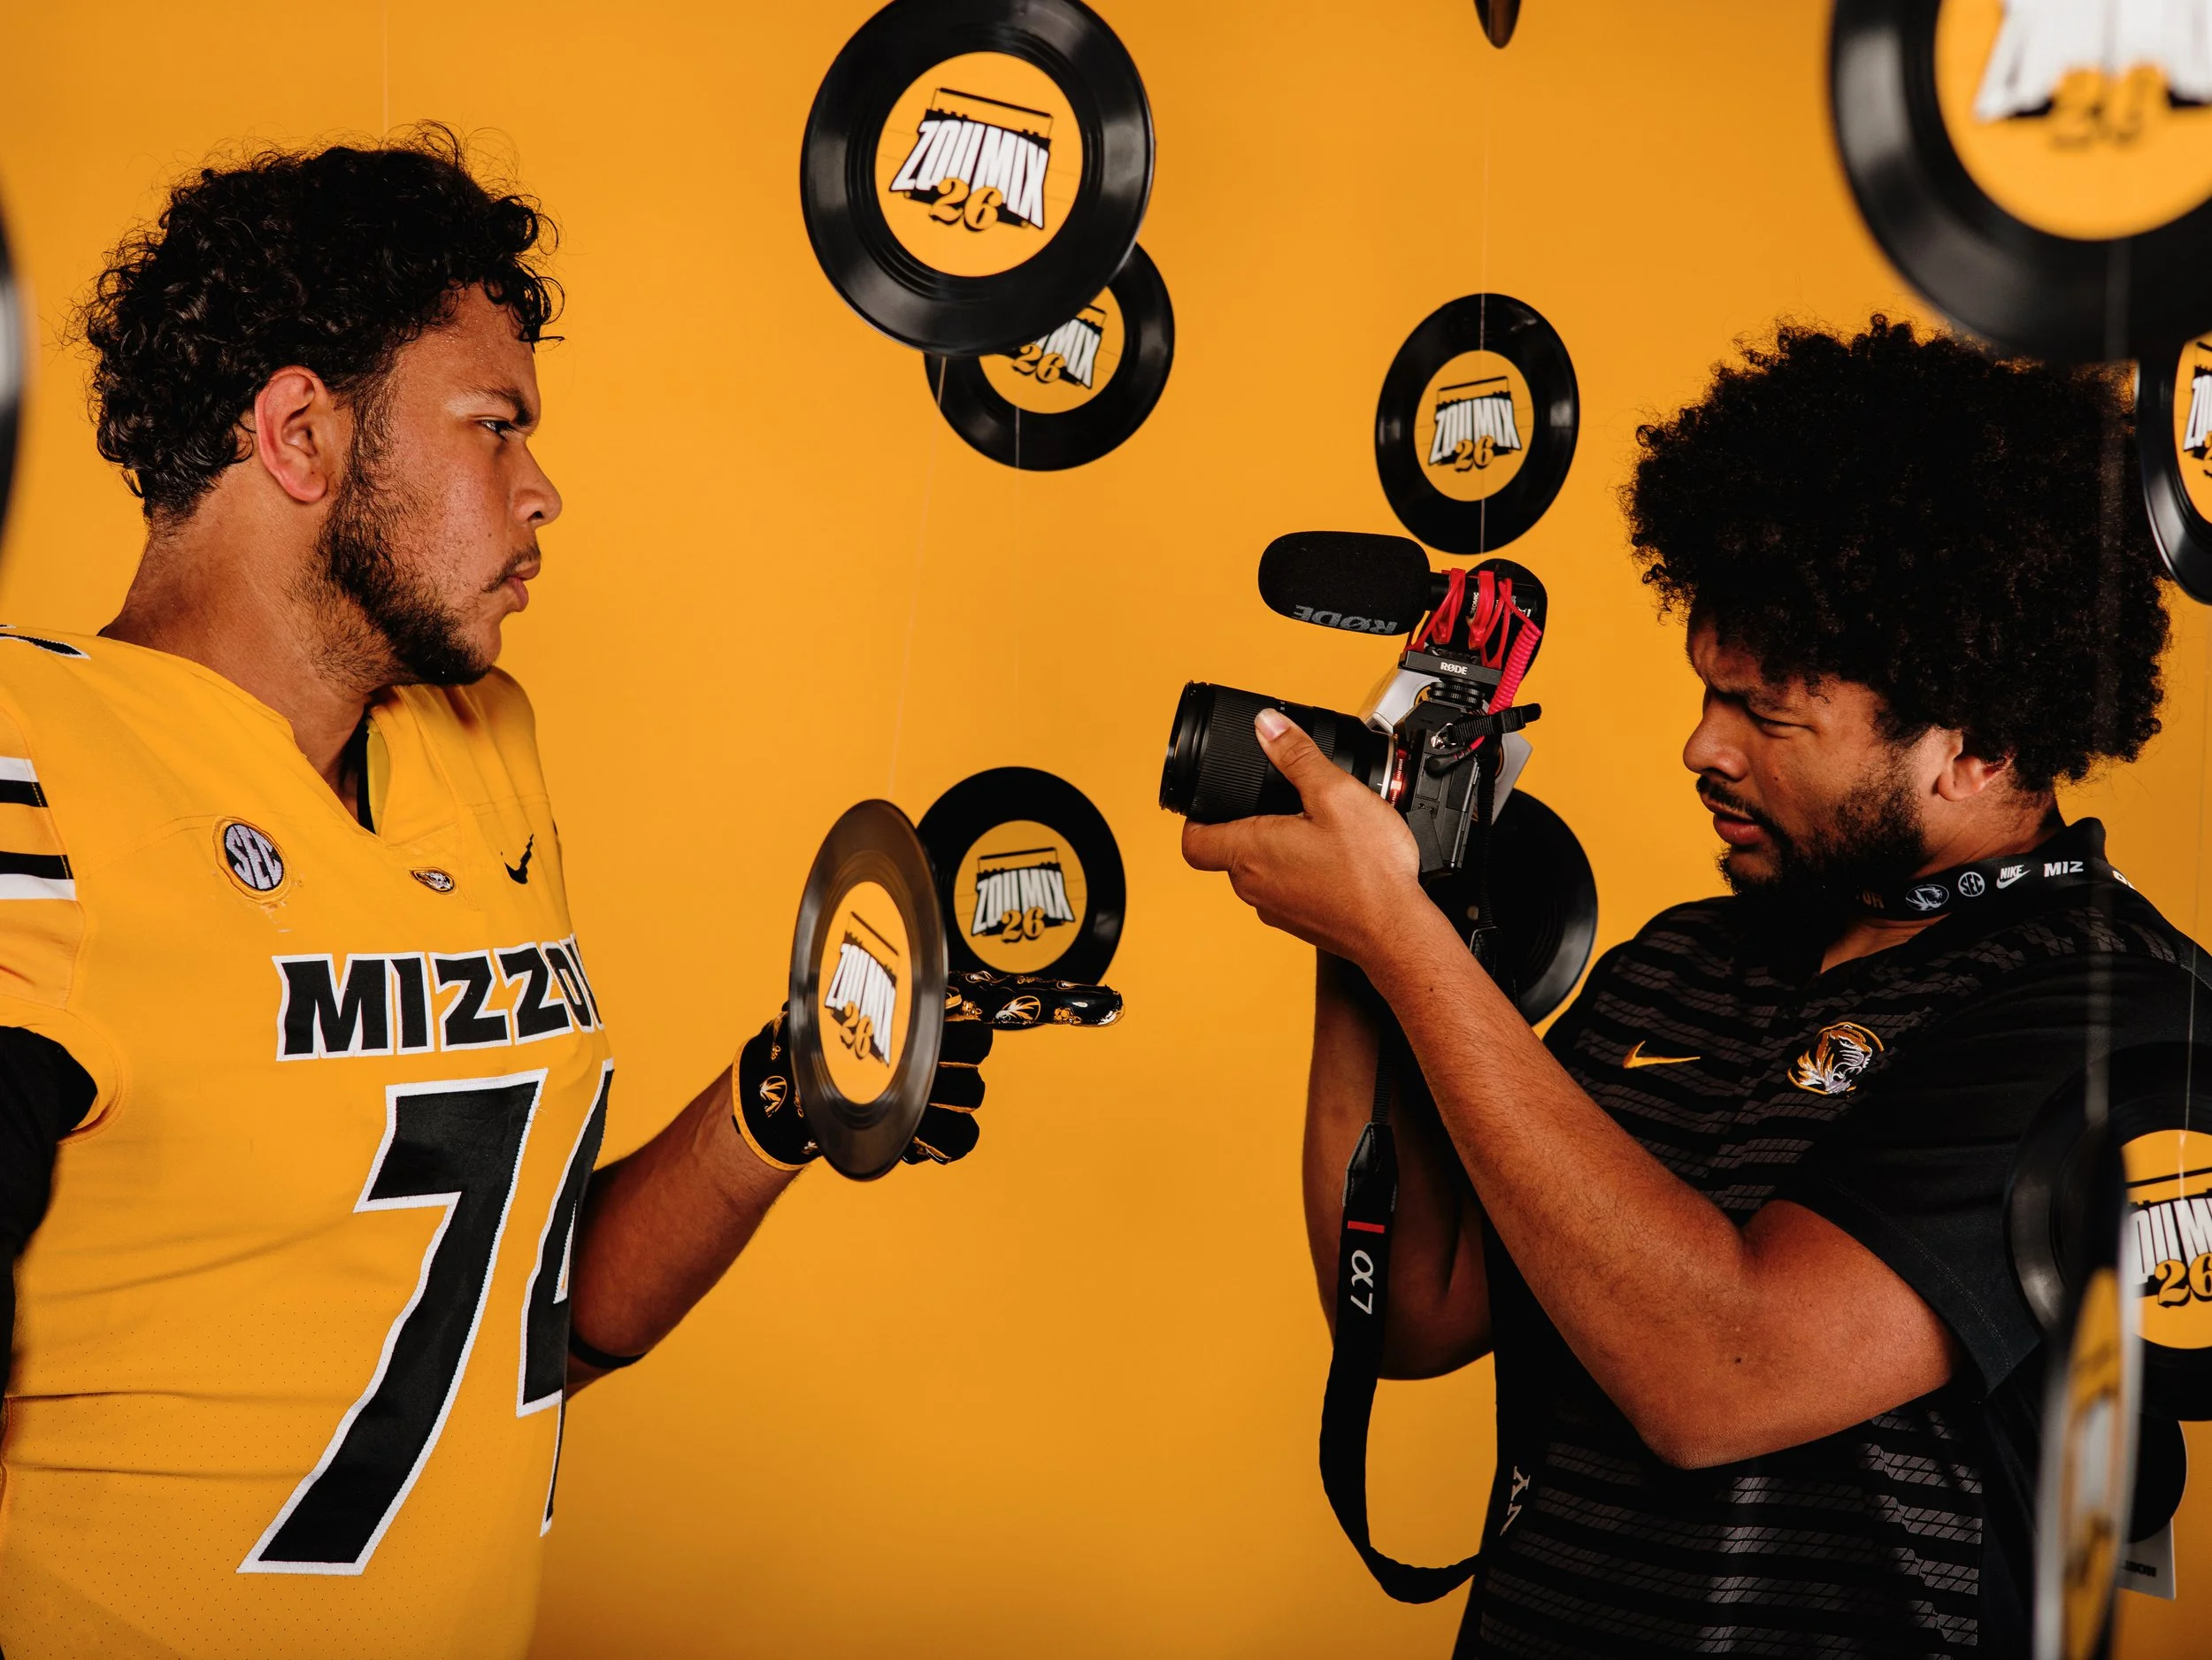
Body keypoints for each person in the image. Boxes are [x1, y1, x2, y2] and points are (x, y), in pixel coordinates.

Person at [0, 129, 1113, 1659]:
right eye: (493, 427)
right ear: (301, 436)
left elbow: (526, 1319)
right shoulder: (40, 762)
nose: (543, 493)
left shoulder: (480, 747)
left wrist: (780, 1098)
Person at [1184, 318, 2200, 1656]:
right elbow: (1418, 1306)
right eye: (1706, 692)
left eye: (1767, 715)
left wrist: (1402, 941)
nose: (1700, 749)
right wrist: (1375, 901)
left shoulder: (2111, 1021)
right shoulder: (1684, 960)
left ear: (1981, 746)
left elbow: (1718, 1378)